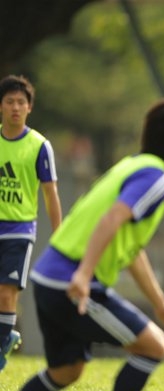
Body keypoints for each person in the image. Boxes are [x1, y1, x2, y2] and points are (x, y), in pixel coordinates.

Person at [0, 97, 164, 391]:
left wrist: (160, 304)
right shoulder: (156, 177)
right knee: (153, 346)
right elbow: (112, 220)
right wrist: (82, 273)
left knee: (67, 369)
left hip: (49, 278)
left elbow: (129, 245)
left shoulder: (132, 166)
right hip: (72, 282)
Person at [0, 75, 62, 372]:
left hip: (19, 229)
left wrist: (61, 237)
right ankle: (7, 334)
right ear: (1, 106)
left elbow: (51, 194)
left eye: (20, 102)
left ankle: (0, 347)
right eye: (9, 101)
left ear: (29, 108)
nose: (15, 107)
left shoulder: (39, 146)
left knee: (7, 292)